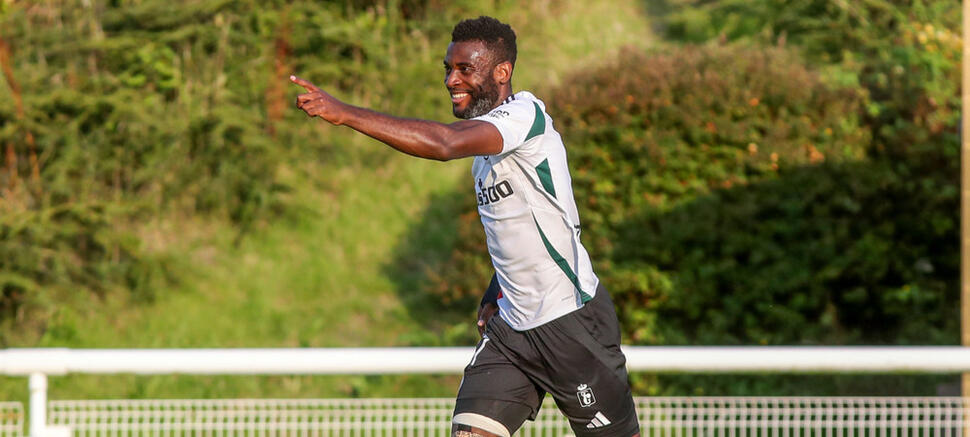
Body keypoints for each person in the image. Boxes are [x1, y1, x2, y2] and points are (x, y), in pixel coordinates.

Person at [292, 15, 640, 437]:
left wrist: (344, 112)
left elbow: (444, 143)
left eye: (464, 69)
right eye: (447, 69)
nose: (450, 80)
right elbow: (523, 230)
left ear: (501, 72)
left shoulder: (525, 116)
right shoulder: (485, 154)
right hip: (513, 331)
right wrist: (495, 289)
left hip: (571, 323)